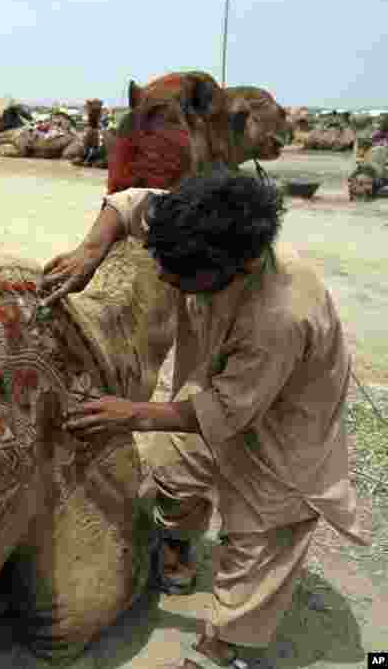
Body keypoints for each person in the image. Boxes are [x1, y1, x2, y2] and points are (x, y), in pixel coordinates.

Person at [41, 170, 369, 668]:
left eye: (179, 276)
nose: (167, 280)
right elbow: (130, 204)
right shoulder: (195, 224)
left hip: (283, 425)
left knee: (258, 538)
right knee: (170, 468)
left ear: (237, 267)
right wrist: (91, 251)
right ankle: (177, 543)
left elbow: (226, 410)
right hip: (219, 386)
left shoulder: (280, 315)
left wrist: (130, 414)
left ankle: (226, 647)